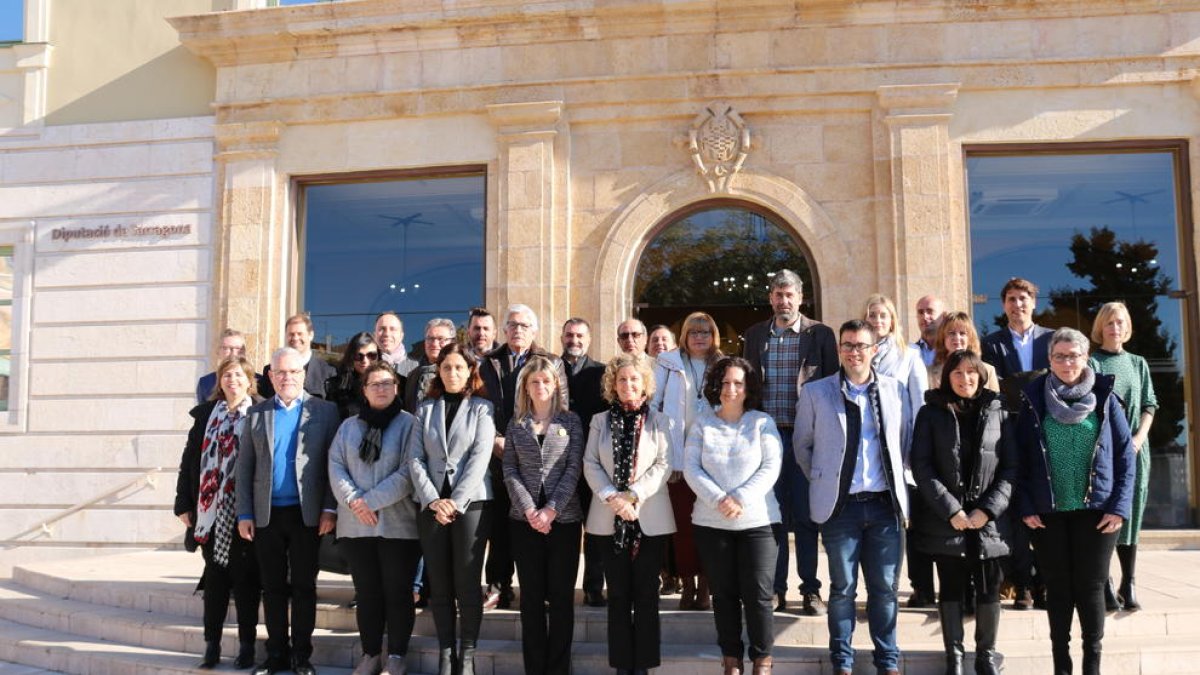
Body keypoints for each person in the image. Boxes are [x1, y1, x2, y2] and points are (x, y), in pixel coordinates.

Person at [794, 319, 912, 675]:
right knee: (843, 589)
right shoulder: (816, 392)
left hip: (884, 506)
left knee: (885, 589)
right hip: (840, 508)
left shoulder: (895, 390)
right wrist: (825, 479)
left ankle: (887, 661)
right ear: (839, 350)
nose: (853, 352)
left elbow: (904, 440)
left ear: (873, 350)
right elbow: (802, 446)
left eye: (861, 345)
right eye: (847, 345)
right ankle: (842, 662)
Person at [1016, 327, 1135, 675]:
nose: (1067, 363)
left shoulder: (1106, 397)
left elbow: (1125, 457)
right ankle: (1062, 665)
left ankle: (1091, 666)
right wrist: (1026, 506)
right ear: (1049, 360)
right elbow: (1017, 458)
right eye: (1059, 356)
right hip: (1047, 513)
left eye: (1073, 356)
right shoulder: (1033, 397)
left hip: (1098, 513)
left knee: (1091, 586)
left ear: (1086, 358)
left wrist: (1119, 507)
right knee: (1057, 587)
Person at [910, 350, 1016, 675]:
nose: (964, 379)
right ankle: (954, 657)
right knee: (951, 589)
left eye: (971, 372)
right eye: (957, 373)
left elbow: (1011, 468)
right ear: (947, 377)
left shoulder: (1000, 411)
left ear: (981, 376)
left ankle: (986, 656)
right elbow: (922, 466)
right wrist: (951, 510)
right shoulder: (931, 412)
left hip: (988, 522)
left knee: (989, 589)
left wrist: (988, 509)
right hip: (948, 521)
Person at [236, 347, 340, 675]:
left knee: (305, 587)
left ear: (303, 374)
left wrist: (329, 508)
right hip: (267, 515)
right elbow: (244, 467)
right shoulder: (257, 413)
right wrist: (244, 513)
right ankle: (276, 654)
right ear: (270, 376)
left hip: (307, 515)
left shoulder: (325, 411)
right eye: (280, 372)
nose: (287, 378)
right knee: (273, 588)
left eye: (293, 372)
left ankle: (301, 656)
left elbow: (333, 465)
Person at [742, 269, 837, 616]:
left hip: (806, 438)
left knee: (807, 516)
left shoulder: (820, 334)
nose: (784, 301)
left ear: (800, 298)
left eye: (790, 295)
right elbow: (748, 386)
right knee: (774, 517)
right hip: (767, 439)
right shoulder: (755, 335)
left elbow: (832, 385)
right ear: (771, 298)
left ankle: (810, 590)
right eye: (778, 295)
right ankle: (775, 590)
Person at [684, 356, 782, 675]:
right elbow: (691, 468)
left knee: (759, 595)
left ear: (748, 387)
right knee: (723, 595)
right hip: (711, 524)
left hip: (758, 523)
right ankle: (731, 660)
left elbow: (771, 466)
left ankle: (762, 661)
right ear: (716, 386)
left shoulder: (762, 423)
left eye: (738, 383)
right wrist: (718, 499)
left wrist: (739, 497)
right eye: (725, 382)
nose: (731, 389)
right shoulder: (702, 423)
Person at [584, 352, 675, 675]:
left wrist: (633, 495)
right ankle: (623, 665)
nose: (628, 384)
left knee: (647, 594)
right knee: (619, 595)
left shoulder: (660, 421)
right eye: (621, 379)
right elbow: (590, 463)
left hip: (649, 516)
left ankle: (644, 665)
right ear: (613, 384)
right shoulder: (599, 421)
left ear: (645, 384)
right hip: (609, 517)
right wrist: (614, 498)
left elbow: (664, 464)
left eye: (634, 378)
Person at [409, 342, 495, 675]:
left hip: (471, 505)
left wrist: (455, 502)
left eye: (459, 367)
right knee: (440, 583)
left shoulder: (483, 408)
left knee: (467, 582)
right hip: (431, 505)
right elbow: (415, 458)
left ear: (470, 371)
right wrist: (433, 500)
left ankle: (467, 654)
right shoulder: (425, 409)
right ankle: (447, 652)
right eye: (446, 367)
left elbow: (480, 459)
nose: (452, 373)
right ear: (439, 371)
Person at [328, 362, 419, 675]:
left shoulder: (410, 425)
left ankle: (396, 656)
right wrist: (355, 501)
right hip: (356, 526)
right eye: (375, 384)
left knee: (398, 592)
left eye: (387, 383)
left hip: (398, 525)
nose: (382, 388)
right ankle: (370, 654)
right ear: (364, 390)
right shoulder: (348, 427)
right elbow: (336, 466)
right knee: (367, 593)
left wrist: (370, 501)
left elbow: (409, 471)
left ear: (396, 387)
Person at [478, 304, 569, 609]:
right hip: (497, 452)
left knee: (538, 520)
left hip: (538, 456)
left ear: (535, 330)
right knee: (500, 525)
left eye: (524, 325)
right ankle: (499, 585)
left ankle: (542, 589)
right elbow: (479, 406)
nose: (518, 330)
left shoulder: (552, 362)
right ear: (504, 330)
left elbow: (561, 407)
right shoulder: (487, 363)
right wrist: (494, 438)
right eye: (513, 325)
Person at [174, 355, 262, 670]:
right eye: (227, 375)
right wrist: (183, 503)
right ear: (219, 381)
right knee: (215, 583)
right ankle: (211, 645)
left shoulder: (260, 414)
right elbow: (189, 461)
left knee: (247, 583)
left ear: (249, 381)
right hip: (209, 512)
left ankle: (247, 645)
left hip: (245, 512)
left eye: (238, 375)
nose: (232, 380)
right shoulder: (206, 415)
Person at [502, 356, 585, 675]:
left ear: (556, 385)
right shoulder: (516, 423)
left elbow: (573, 468)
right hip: (524, 522)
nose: (540, 386)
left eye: (546, 381)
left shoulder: (571, 422)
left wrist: (551, 510)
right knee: (531, 599)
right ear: (525, 387)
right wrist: (529, 509)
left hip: (563, 521)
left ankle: (558, 668)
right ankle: (535, 668)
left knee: (562, 599)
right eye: (534, 382)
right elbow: (510, 469)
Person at [981, 278, 1053, 611]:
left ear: (1034, 302)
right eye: (1011, 299)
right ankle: (1022, 582)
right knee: (1014, 512)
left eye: (1023, 298)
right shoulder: (991, 344)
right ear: (1003, 305)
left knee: (1046, 510)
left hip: (1047, 438)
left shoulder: (1052, 339)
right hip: (1008, 437)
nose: (1017, 304)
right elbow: (993, 390)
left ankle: (1045, 582)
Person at [863, 294, 932, 608]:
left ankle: (890, 590)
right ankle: (874, 590)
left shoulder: (909, 355)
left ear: (892, 320)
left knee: (897, 523)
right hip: (866, 453)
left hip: (899, 452)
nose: (878, 321)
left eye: (883, 315)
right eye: (872, 315)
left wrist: (915, 454)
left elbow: (919, 406)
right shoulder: (858, 354)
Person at [1089, 302, 1158, 611]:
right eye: (1109, 323)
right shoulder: (1092, 362)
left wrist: (1139, 438)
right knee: (1105, 511)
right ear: (1100, 328)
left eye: (1120, 322)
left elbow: (1149, 405)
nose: (1115, 328)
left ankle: (1128, 582)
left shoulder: (1138, 363)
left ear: (1127, 327)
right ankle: (1104, 583)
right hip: (1105, 451)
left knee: (1132, 511)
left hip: (1136, 450)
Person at [651, 311, 722, 611]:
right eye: (694, 332)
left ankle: (705, 585)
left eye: (705, 332)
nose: (699, 337)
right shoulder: (668, 362)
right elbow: (654, 404)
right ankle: (687, 584)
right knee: (681, 526)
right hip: (677, 456)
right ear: (685, 336)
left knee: (709, 525)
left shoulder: (722, 364)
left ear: (713, 336)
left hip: (711, 459)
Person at [561, 318, 609, 607]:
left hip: (593, 462)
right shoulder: (551, 369)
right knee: (565, 531)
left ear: (589, 339)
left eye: (580, 335)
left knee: (595, 529)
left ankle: (593, 587)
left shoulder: (601, 373)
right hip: (558, 463)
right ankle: (561, 589)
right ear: (562, 337)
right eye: (569, 335)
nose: (574, 340)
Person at [259, 314, 337, 400]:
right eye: (291, 334)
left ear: (311, 335)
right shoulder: (271, 371)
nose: (295, 338)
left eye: (300, 334)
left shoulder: (327, 372)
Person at [927, 312, 1000, 394]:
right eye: (951, 333)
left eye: (962, 333)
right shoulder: (929, 373)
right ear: (943, 338)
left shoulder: (988, 371)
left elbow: (995, 401)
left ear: (970, 338)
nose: (957, 338)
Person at [404, 318, 457, 413]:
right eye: (430, 339)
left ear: (452, 342)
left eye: (441, 339)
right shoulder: (413, 375)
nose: (434, 344)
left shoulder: (457, 374)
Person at [326, 332, 380, 420]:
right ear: (351, 357)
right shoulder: (335, 386)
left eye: (371, 355)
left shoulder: (387, 385)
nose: (365, 360)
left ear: (378, 356)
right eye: (359, 356)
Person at [196, 328, 255, 403]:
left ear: (244, 351)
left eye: (238, 348)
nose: (233, 353)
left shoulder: (259, 380)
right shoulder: (205, 383)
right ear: (218, 351)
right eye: (226, 348)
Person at [913, 295, 946, 367]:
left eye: (930, 311)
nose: (924, 317)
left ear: (943, 317)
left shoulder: (952, 349)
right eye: (920, 312)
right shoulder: (909, 352)